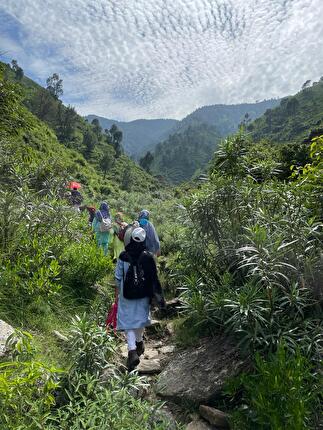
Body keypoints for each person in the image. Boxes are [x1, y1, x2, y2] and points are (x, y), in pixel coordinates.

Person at [115, 227, 165, 371]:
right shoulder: (148, 257)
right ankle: (139, 342)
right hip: (143, 295)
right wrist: (159, 299)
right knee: (140, 319)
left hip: (127, 295)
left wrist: (118, 292)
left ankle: (132, 351)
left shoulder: (123, 256)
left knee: (127, 322)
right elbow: (153, 279)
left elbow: (118, 277)